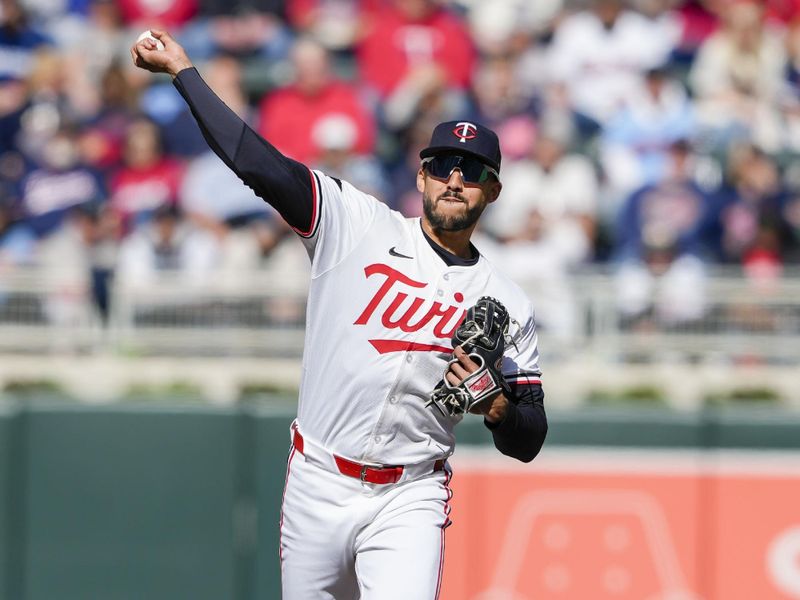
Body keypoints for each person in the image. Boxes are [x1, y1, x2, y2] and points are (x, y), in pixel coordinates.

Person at [132, 30, 548, 600]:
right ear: (421, 174)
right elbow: (259, 163)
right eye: (444, 164)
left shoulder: (508, 300)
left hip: (411, 492)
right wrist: (184, 72)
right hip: (319, 479)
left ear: (492, 190)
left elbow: (528, 437)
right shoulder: (355, 224)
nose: (455, 178)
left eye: (472, 170)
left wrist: (496, 403)